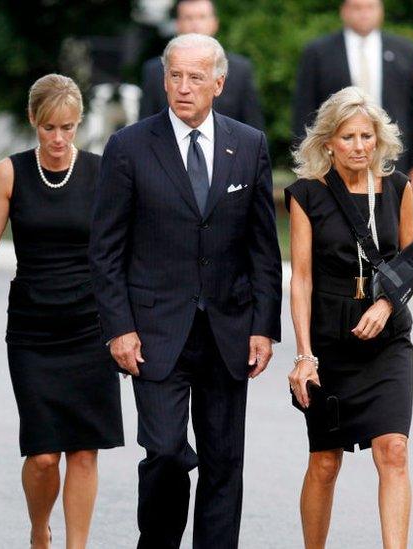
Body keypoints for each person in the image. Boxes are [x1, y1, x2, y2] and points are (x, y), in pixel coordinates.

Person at [90, 33, 282, 548]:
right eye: (174, 75)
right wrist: (119, 329)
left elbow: (264, 248)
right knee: (167, 451)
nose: (183, 87)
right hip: (153, 332)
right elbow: (106, 250)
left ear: (219, 83)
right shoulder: (129, 146)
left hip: (228, 329)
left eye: (196, 77)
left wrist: (264, 328)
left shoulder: (249, 144)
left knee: (223, 460)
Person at [0, 74, 124, 549]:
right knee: (45, 455)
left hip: (90, 325)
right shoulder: (11, 172)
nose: (58, 138)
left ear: (79, 124)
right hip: (33, 328)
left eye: (68, 127)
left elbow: (118, 249)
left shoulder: (100, 171)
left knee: (85, 451)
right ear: (33, 121)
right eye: (49, 127)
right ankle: (38, 530)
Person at [285, 86, 413, 549]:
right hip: (331, 343)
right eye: (348, 137)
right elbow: (301, 279)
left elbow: (411, 256)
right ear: (328, 143)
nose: (359, 147)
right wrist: (304, 356)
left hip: (387, 341)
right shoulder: (305, 195)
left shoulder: (399, 188)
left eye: (366, 136)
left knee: (393, 450)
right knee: (325, 460)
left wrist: (386, 304)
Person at [291, 0, 413, 208]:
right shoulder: (318, 52)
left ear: (381, 10)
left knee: (398, 232)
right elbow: (304, 110)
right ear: (344, 11)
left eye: (370, 7)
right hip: (335, 166)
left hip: (395, 161)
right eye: (357, 8)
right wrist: (310, 161)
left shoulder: (405, 51)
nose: (364, 14)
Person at [138, 0, 265, 130]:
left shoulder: (240, 70)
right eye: (188, 18)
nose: (195, 24)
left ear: (215, 23)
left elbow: (253, 124)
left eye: (201, 17)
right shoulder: (154, 71)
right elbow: (145, 126)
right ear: (178, 24)